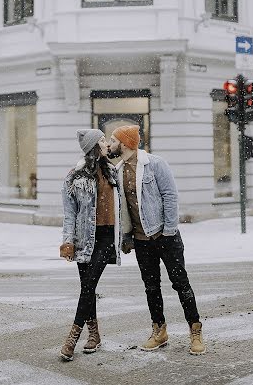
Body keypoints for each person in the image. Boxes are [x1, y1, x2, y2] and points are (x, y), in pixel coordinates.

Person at [108, 125, 206, 355]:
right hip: (142, 240)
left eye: (113, 140)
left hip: (165, 235)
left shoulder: (155, 164)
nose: (110, 145)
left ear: (124, 143)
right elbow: (124, 209)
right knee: (151, 287)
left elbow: (170, 195)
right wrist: (126, 237)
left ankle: (195, 330)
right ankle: (159, 330)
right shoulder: (118, 170)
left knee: (180, 283)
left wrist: (169, 230)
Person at [59, 128, 122, 361]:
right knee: (88, 287)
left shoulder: (113, 173)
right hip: (84, 239)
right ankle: (94, 334)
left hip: (106, 238)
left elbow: (123, 207)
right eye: (103, 141)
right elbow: (69, 214)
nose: (107, 144)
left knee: (89, 284)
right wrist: (68, 242)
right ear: (94, 147)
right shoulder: (74, 177)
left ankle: (72, 338)